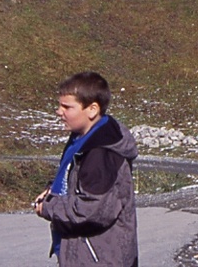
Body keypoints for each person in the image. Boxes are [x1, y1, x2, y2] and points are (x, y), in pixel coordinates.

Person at [33, 72, 138, 266]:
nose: (59, 111)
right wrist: (52, 188)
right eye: (59, 105)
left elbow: (92, 211)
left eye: (67, 107)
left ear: (92, 109)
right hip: (80, 252)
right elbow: (71, 177)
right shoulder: (82, 137)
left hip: (99, 258)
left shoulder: (101, 152)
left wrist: (48, 206)